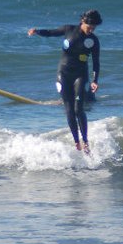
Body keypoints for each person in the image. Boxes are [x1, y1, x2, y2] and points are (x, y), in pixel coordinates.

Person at [28, 9, 102, 153]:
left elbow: (96, 62)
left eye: (94, 28)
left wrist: (95, 80)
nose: (91, 30)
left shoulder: (93, 41)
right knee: (69, 109)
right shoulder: (69, 29)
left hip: (81, 75)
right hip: (63, 73)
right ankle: (76, 142)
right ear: (83, 21)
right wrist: (37, 31)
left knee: (78, 109)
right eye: (89, 27)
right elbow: (51, 32)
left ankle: (85, 141)